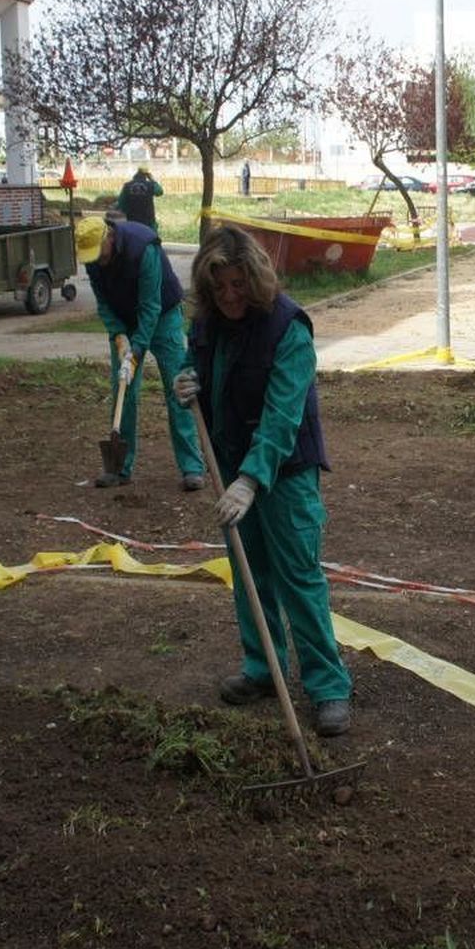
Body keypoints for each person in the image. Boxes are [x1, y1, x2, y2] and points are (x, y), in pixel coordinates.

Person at [172, 225, 353, 736]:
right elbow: (197, 368)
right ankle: (264, 669)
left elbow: (282, 416)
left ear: (255, 279)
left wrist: (251, 480)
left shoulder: (287, 327)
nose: (229, 295)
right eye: (219, 286)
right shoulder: (208, 322)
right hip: (231, 463)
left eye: (237, 284)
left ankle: (328, 686)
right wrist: (186, 382)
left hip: (285, 471)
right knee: (251, 572)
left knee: (298, 575)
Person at [75, 215, 206, 491]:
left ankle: (192, 467)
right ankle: (120, 469)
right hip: (124, 321)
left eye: (98, 254)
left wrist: (136, 352)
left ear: (108, 237)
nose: (96, 261)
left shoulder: (143, 247)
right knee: (123, 387)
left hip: (163, 316)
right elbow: (103, 304)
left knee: (177, 389)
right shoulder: (93, 259)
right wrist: (120, 337)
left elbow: (151, 306)